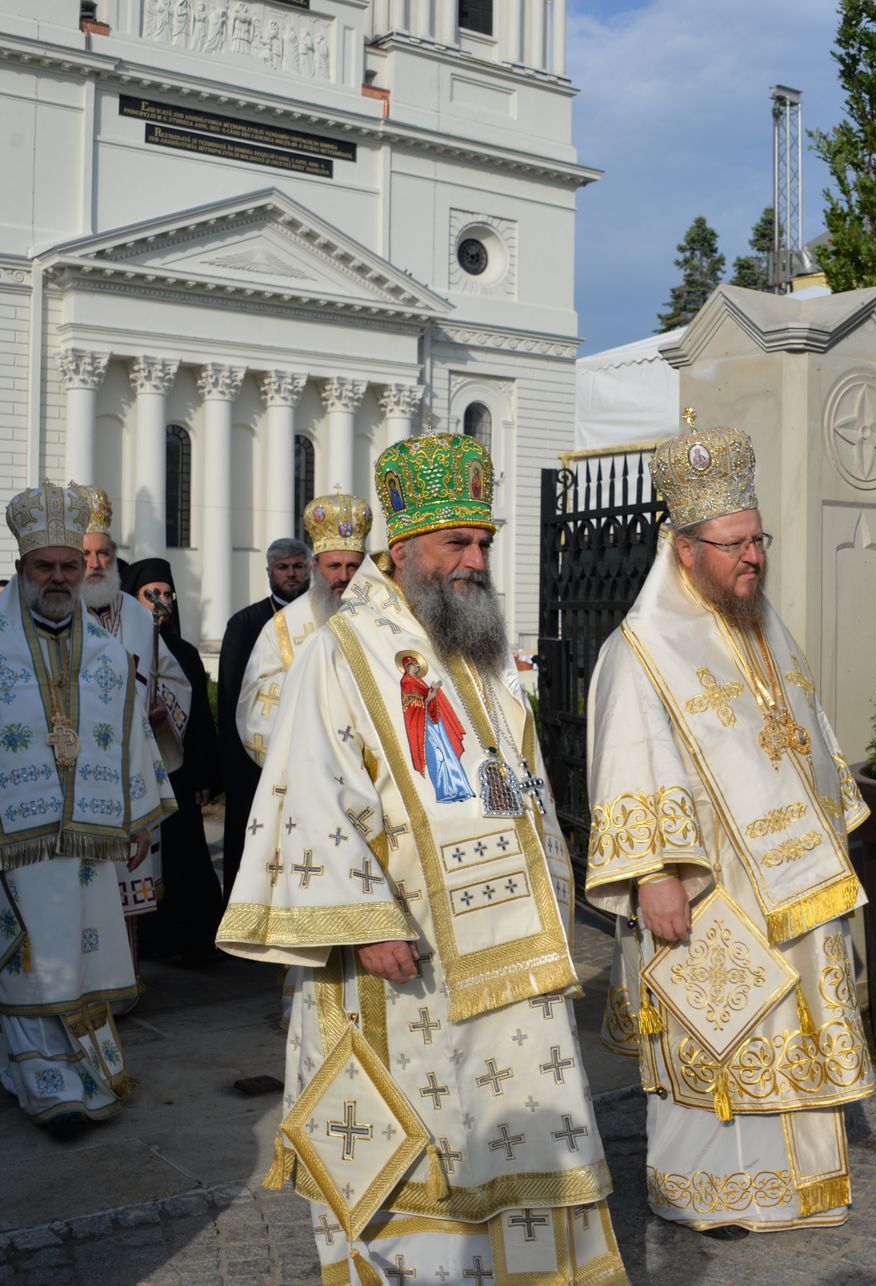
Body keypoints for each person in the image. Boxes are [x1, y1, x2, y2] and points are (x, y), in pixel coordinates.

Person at [217, 435, 627, 1284]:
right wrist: (366, 920)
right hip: (406, 953)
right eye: (456, 543)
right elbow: (308, 793)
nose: (476, 560)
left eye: (483, 542)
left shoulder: (479, 648)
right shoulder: (341, 651)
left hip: (512, 949)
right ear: (402, 550)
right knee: (431, 1135)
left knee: (519, 1122)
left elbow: (519, 781)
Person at [585, 422, 874, 1236]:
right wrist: (653, 875)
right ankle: (712, 1195)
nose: (753, 557)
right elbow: (629, 759)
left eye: (758, 539)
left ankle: (802, 1186)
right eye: (734, 543)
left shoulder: (761, 625)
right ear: (685, 549)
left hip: (792, 881)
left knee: (792, 1026)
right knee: (724, 1029)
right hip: (710, 885)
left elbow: (802, 731)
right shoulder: (641, 650)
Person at [0, 484, 175, 1132]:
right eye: (44, 566)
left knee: (77, 951)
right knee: (32, 954)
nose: (58, 577)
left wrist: (138, 817)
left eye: (69, 566)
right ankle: (51, 1085)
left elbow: (131, 740)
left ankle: (10, 1060)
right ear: (21, 570)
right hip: (11, 841)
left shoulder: (107, 656)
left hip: (89, 842)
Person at [69, 484, 191, 925]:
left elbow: (173, 679)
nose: (95, 564)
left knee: (129, 898)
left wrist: (163, 710)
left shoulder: (138, 613)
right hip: (75, 772)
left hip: (132, 771)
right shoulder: (58, 612)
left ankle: (131, 965)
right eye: (85, 554)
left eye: (103, 553)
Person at [127, 558, 221, 964]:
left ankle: (192, 938)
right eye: (151, 594)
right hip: (137, 770)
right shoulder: (121, 646)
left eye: (167, 594)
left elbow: (199, 719)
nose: (161, 601)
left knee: (184, 853)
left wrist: (204, 774)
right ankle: (149, 937)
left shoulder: (184, 652)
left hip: (177, 773)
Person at [235, 490, 369, 764]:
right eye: (334, 565)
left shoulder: (383, 615)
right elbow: (254, 703)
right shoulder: (282, 627)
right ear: (315, 566)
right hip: (308, 759)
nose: (344, 576)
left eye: (353, 566)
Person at [217, 538, 309, 902]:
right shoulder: (245, 623)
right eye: (283, 567)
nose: (291, 574)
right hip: (254, 762)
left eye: (298, 566)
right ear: (269, 572)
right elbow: (229, 699)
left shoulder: (325, 616)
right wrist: (231, 769)